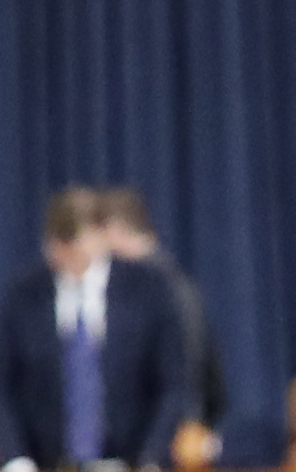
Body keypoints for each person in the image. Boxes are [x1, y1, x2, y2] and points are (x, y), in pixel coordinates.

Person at [0, 189, 190, 472]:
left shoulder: (148, 291)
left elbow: (173, 383)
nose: (70, 262)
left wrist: (151, 459)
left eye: (77, 250)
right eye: (61, 253)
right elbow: (0, 387)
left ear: (101, 236)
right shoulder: (23, 297)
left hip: (134, 471)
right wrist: (15, 459)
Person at [94, 186, 223, 450]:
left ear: (114, 232)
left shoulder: (156, 291)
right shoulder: (179, 284)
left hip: (163, 446)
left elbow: (186, 376)